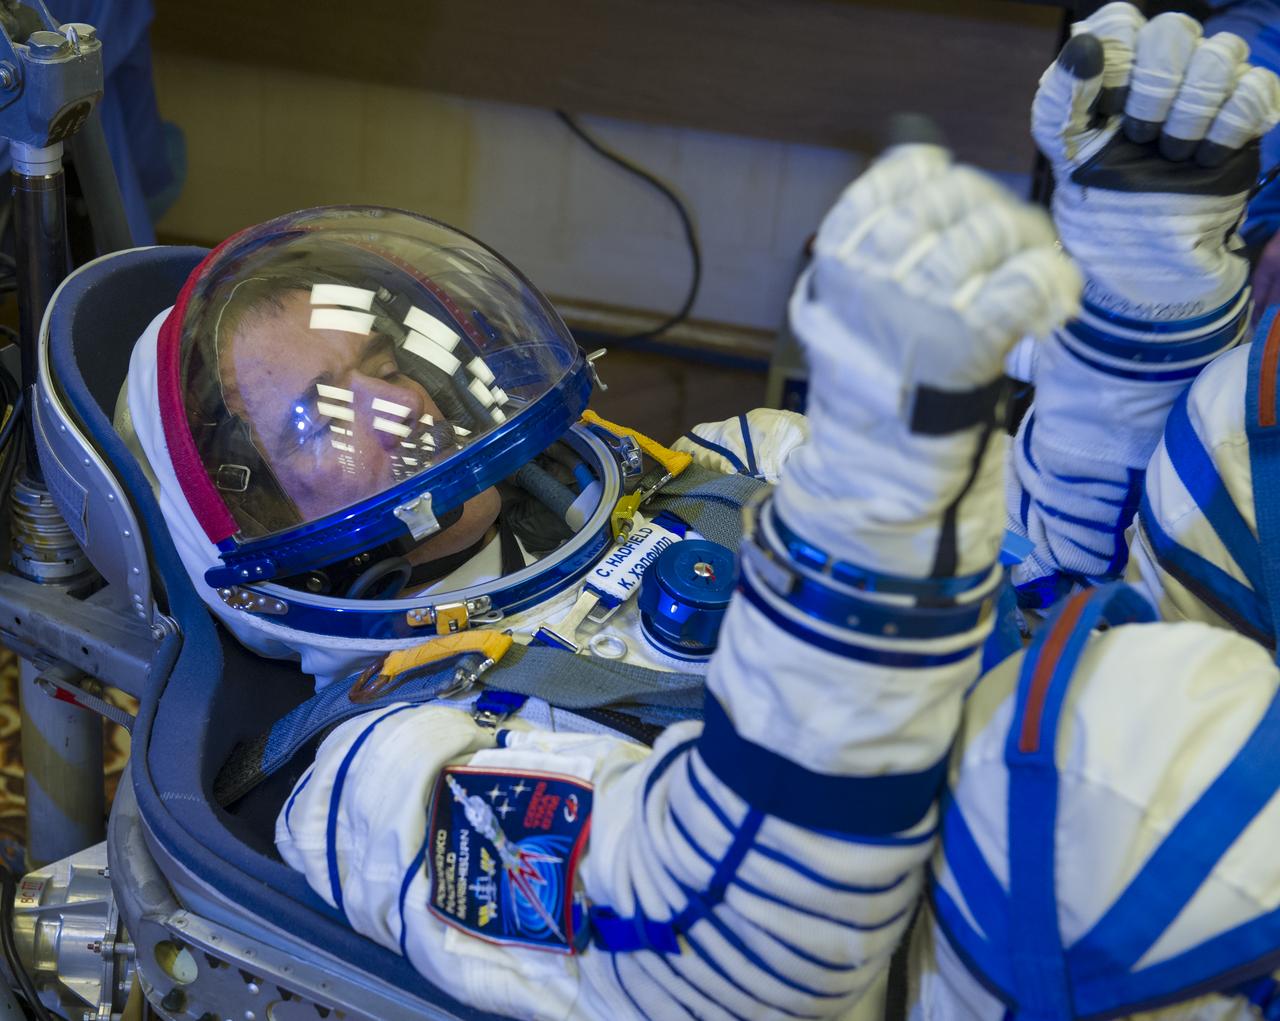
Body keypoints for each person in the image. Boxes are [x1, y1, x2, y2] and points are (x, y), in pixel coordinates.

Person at [115, 6, 1280, 1017]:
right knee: (1120, 734)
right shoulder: (378, 775)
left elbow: (1053, 576)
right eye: (323, 416)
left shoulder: (719, 467)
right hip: (949, 932)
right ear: (254, 512)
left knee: (1246, 423)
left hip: (1115, 794)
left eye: (384, 356)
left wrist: (1134, 288)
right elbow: (706, 974)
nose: (394, 394)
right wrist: (861, 562)